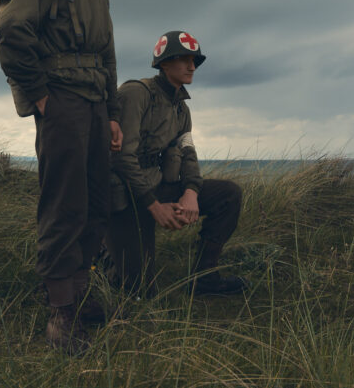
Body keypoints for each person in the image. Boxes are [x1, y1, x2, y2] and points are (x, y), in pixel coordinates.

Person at [0, 0, 123, 352]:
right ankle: (60, 314)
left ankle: (77, 290)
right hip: (63, 101)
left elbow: (107, 56)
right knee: (65, 205)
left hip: (92, 105)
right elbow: (12, 29)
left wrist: (111, 114)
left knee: (95, 204)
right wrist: (39, 95)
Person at [103, 31, 248, 297]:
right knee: (139, 293)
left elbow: (187, 151)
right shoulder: (136, 93)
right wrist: (154, 207)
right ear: (164, 63)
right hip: (125, 195)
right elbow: (121, 157)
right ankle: (106, 255)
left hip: (155, 188)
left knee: (228, 195)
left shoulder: (182, 108)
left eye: (194, 60)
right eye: (183, 59)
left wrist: (191, 191)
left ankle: (205, 278)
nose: (191, 66)